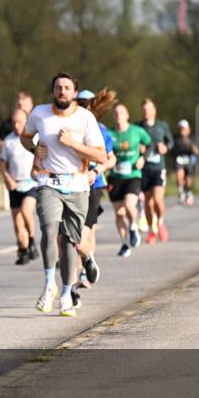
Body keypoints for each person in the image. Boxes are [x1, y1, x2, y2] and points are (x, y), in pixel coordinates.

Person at [21, 73, 107, 318]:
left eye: (67, 88)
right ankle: (50, 285)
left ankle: (67, 293)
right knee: (50, 230)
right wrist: (33, 149)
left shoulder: (85, 118)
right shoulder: (39, 113)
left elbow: (100, 156)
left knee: (69, 241)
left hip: (78, 185)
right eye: (58, 87)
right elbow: (25, 137)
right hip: (48, 181)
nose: (62, 91)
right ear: (52, 92)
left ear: (74, 93)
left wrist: (72, 143)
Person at [73, 88, 117, 303]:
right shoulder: (67, 127)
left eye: (85, 102)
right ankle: (79, 272)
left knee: (85, 234)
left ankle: (83, 271)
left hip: (94, 185)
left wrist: (96, 171)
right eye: (79, 101)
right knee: (70, 237)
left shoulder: (100, 130)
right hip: (70, 186)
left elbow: (110, 158)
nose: (82, 105)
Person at [107, 103, 150, 258]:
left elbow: (149, 144)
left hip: (133, 175)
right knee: (119, 213)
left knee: (129, 204)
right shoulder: (109, 133)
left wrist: (142, 158)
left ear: (127, 116)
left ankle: (133, 226)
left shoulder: (136, 131)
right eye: (116, 113)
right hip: (114, 177)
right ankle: (125, 243)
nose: (118, 116)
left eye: (121, 113)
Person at [0, 108, 39, 266]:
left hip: (31, 183)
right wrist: (8, 178)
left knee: (26, 210)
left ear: (27, 121)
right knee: (17, 221)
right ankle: (23, 250)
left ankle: (31, 239)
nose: (16, 125)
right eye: (14, 122)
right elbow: (3, 165)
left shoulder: (34, 137)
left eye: (20, 122)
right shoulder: (8, 141)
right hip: (15, 184)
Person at [137, 98, 174, 244]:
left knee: (158, 199)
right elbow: (133, 141)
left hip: (158, 168)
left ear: (154, 110)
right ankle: (152, 230)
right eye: (144, 109)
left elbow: (170, 141)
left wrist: (165, 147)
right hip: (144, 169)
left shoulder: (162, 125)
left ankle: (160, 223)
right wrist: (138, 148)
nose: (147, 112)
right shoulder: (138, 127)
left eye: (149, 109)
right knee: (148, 202)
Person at [0, 91, 34, 157]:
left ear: (31, 106)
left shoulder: (37, 123)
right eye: (19, 105)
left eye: (25, 105)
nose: (22, 108)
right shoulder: (6, 125)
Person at [171, 120, 199, 206]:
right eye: (181, 129)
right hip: (178, 159)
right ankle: (181, 191)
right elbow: (171, 150)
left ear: (188, 129)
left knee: (188, 178)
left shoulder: (192, 138)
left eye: (184, 129)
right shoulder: (175, 138)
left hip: (189, 159)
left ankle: (189, 192)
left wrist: (190, 144)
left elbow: (197, 151)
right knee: (179, 175)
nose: (182, 130)